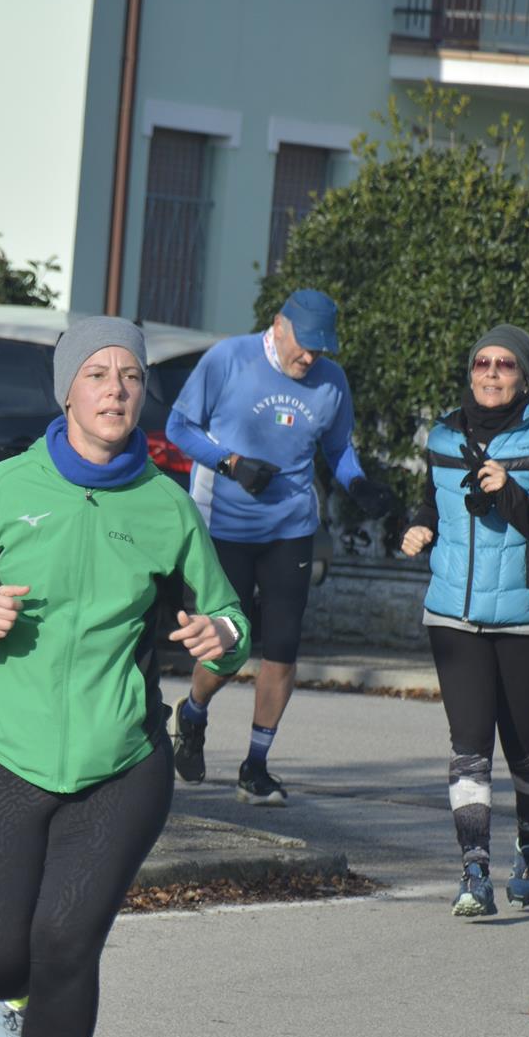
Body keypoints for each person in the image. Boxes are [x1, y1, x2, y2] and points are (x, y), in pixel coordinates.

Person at [0, 317, 250, 1037]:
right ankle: (10, 994)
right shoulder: (8, 486)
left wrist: (222, 637)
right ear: (67, 391)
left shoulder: (167, 507)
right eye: (97, 374)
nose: (115, 389)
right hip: (10, 754)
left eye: (129, 375)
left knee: (67, 942)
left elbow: (230, 615)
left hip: (121, 763)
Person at [164, 287, 395, 804]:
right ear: (277, 325)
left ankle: (256, 766)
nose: (309, 358)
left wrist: (358, 483)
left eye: (320, 349)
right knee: (229, 645)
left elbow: (338, 448)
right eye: (303, 345)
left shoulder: (331, 382)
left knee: (283, 648)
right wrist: (230, 463)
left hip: (291, 527)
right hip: (223, 525)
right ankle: (193, 714)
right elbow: (179, 427)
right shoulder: (229, 359)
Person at [398, 324, 529, 916]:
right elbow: (433, 501)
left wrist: (509, 494)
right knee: (469, 748)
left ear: (524, 378)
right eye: (483, 363)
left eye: (506, 364)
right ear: (471, 371)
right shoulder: (443, 438)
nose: (492, 373)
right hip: (453, 614)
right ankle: (474, 871)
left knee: (520, 746)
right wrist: (419, 526)